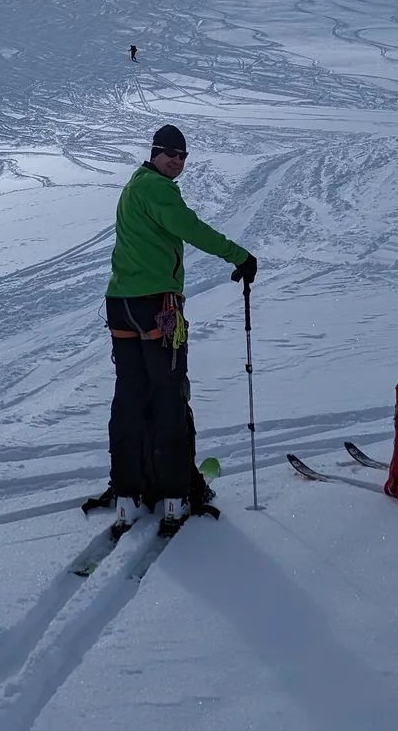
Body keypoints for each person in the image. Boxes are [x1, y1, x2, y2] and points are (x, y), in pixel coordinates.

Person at [103, 123, 258, 536]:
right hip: (157, 307)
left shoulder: (134, 186)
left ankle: (127, 495)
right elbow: (190, 228)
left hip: (121, 306)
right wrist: (239, 255)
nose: (175, 159)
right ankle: (173, 495)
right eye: (168, 152)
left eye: (182, 155)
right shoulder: (157, 189)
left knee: (131, 399)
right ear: (154, 153)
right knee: (169, 397)